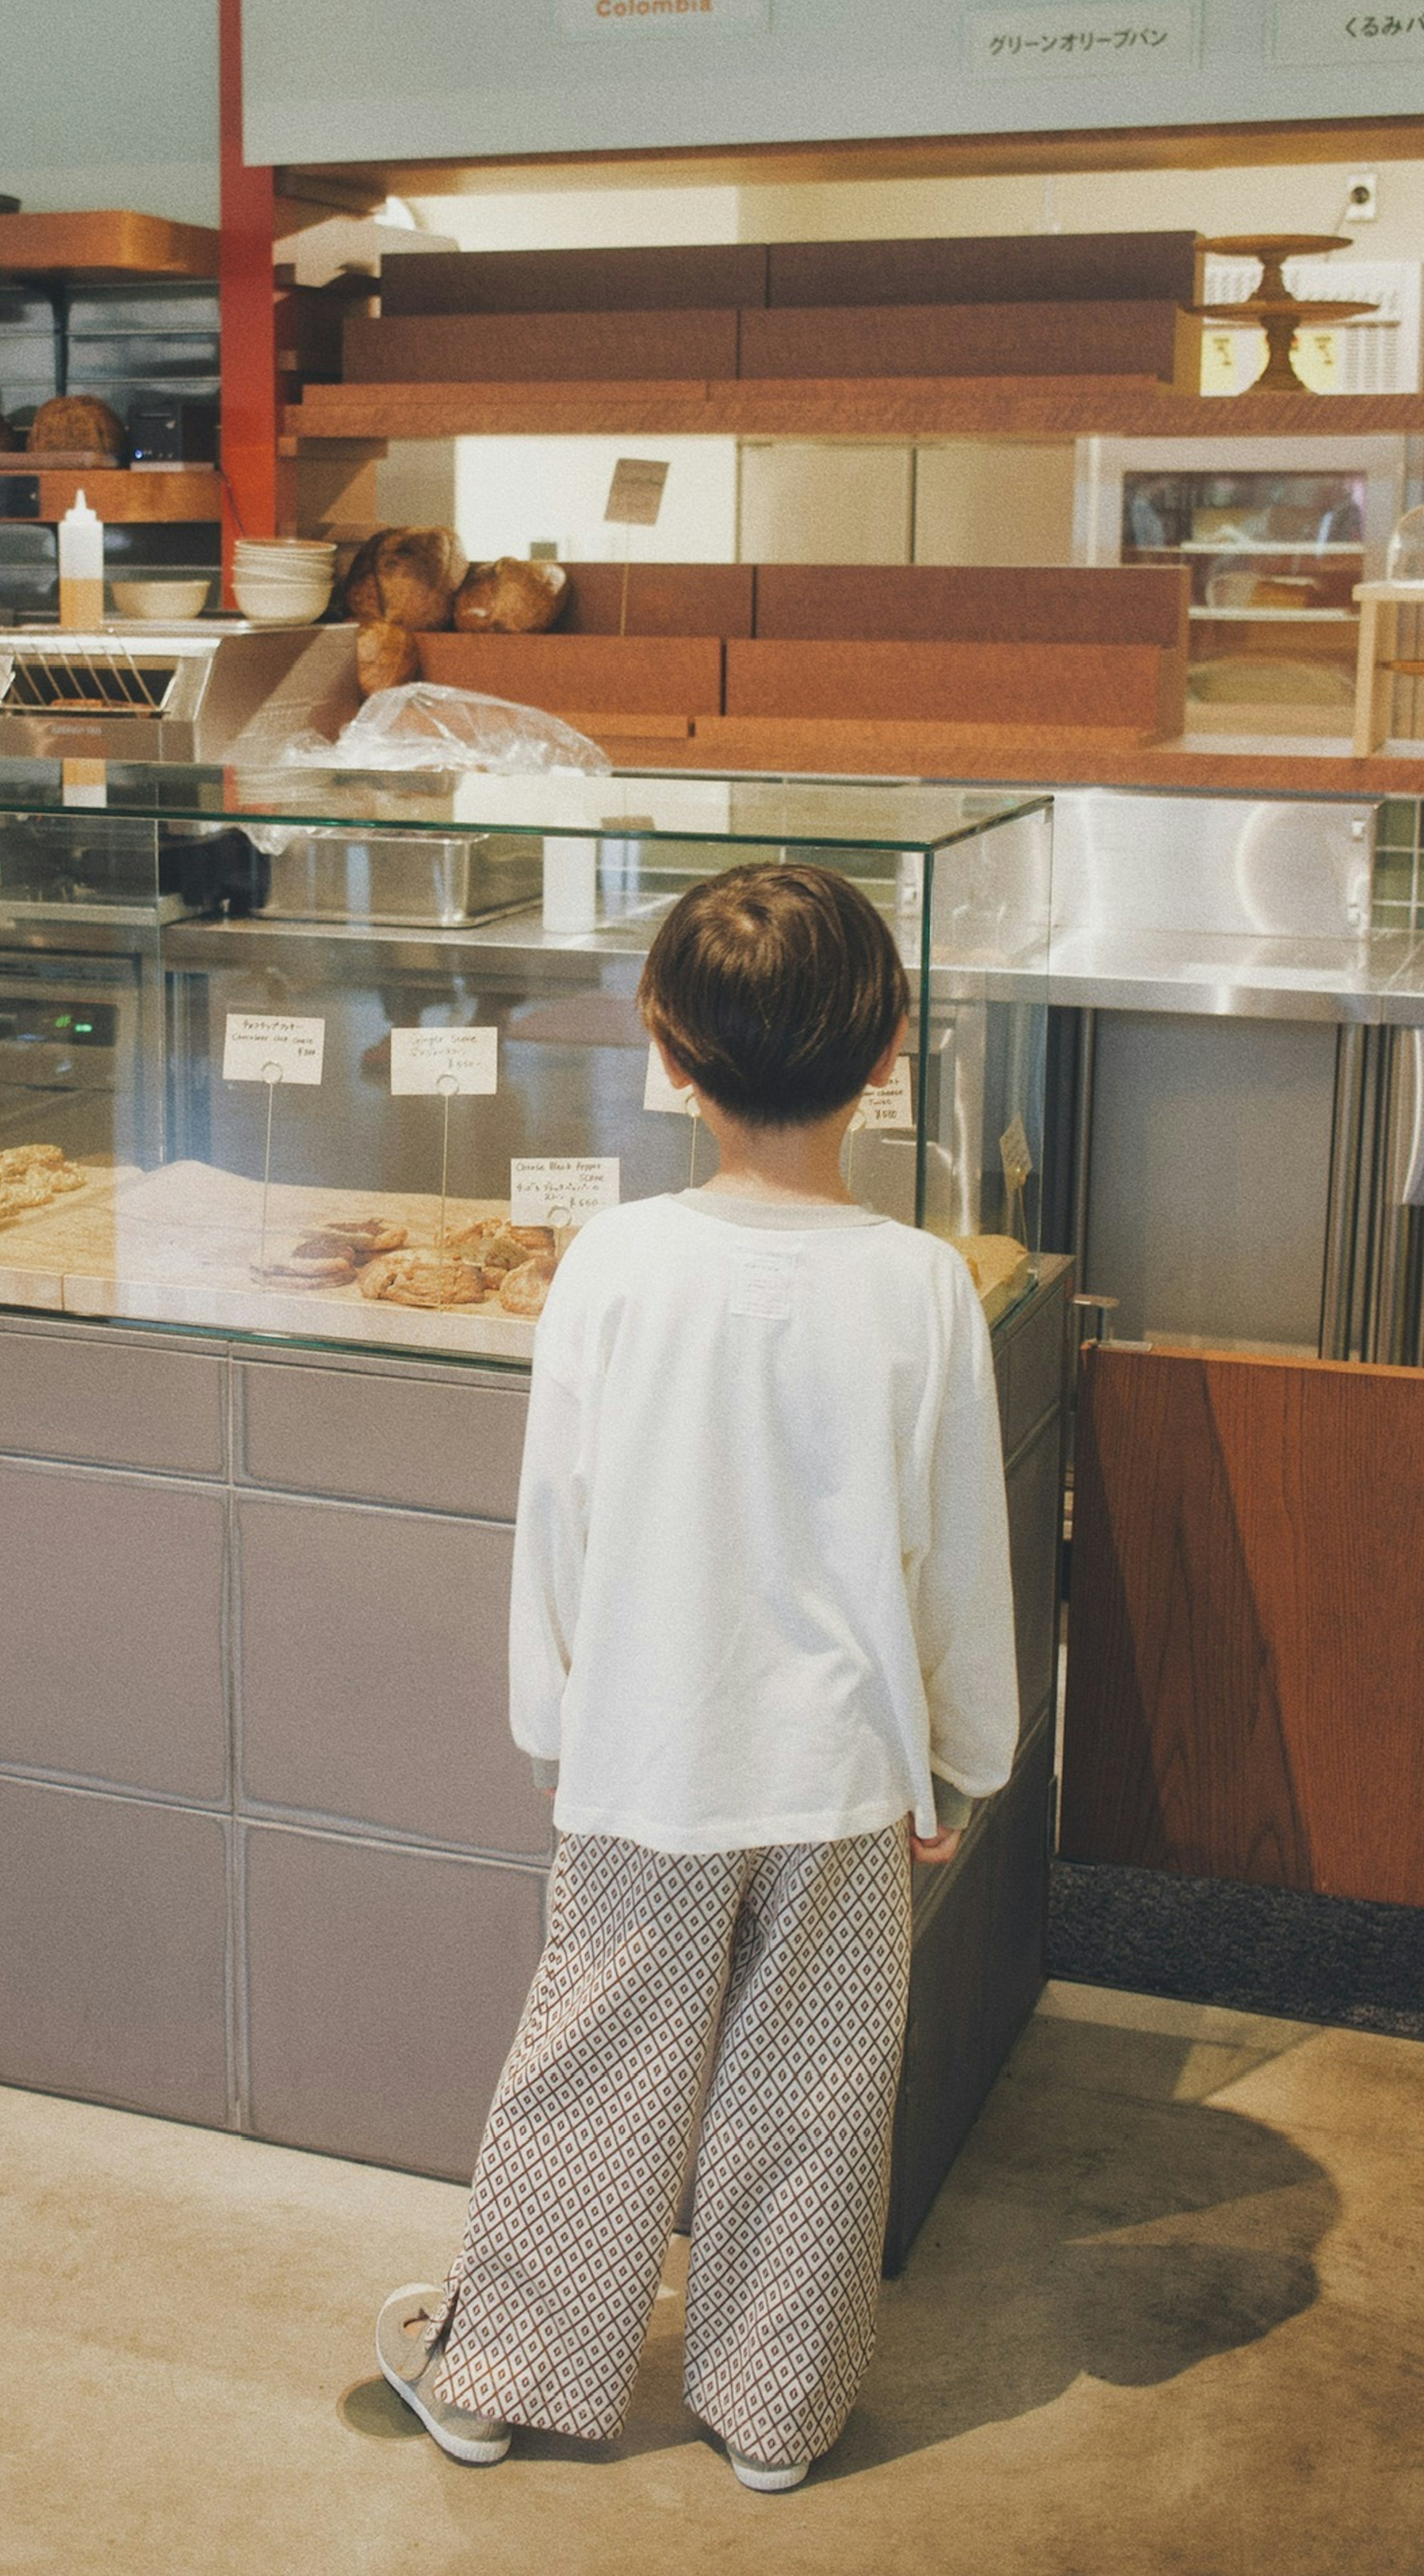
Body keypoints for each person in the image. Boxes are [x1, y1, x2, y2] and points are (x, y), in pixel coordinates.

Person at [375, 859, 1020, 2492]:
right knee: (814, 2096)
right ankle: (778, 2412)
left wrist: (552, 1728)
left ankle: (503, 2370)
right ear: (889, 1057)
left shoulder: (612, 1265)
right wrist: (961, 1759)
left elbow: (561, 1528)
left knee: (595, 2064)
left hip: (645, 1750)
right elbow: (954, 1559)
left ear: (669, 1057)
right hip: (845, 1770)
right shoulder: (925, 1287)